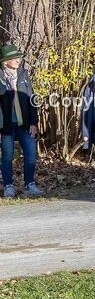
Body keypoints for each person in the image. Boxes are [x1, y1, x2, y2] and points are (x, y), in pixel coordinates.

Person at [0, 45, 43, 198]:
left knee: (31, 154)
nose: (18, 60)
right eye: (14, 58)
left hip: (24, 123)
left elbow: (31, 99)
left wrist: (34, 122)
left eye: (18, 57)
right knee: (7, 155)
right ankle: (8, 186)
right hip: (5, 125)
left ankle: (30, 184)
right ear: (6, 62)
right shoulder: (0, 77)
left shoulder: (23, 74)